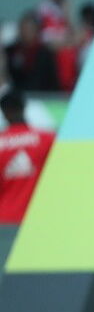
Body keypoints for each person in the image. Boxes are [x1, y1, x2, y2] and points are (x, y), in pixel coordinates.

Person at [0, 88, 54, 224]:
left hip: (4, 219)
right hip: (37, 219)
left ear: (4, 113)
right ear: (24, 107)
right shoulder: (47, 139)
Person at [4, 11, 59, 92]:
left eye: (29, 29)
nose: (25, 32)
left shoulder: (45, 53)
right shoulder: (10, 51)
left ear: (36, 31)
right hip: (15, 95)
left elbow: (52, 80)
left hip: (40, 96)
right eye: (22, 28)